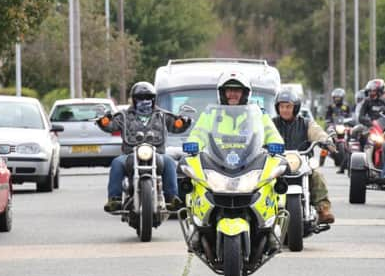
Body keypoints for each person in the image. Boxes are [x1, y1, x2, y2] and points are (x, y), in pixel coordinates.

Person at [187, 71, 284, 254]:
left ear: (245, 93)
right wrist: (193, 144)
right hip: (219, 161)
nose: (233, 94)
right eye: (229, 90)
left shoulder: (257, 114)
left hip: (248, 162)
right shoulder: (211, 114)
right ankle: (197, 228)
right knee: (195, 179)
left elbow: (272, 134)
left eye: (237, 90)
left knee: (271, 179)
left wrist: (275, 144)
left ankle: (271, 228)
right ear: (222, 92)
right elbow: (198, 132)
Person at [99, 81, 191, 212]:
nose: (144, 100)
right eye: (141, 98)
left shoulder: (162, 115)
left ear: (153, 98)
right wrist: (104, 121)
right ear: (134, 99)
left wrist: (183, 122)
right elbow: (110, 126)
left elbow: (176, 127)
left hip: (157, 153)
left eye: (148, 97)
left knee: (169, 161)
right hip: (130, 154)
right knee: (116, 163)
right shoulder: (124, 116)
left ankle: (172, 198)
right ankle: (115, 199)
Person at [272, 89, 335, 224]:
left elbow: (317, 133)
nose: (285, 110)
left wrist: (326, 141)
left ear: (295, 108)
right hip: (277, 164)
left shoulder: (306, 124)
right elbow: (261, 135)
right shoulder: (271, 124)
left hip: (301, 163)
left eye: (288, 106)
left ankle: (323, 210)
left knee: (317, 175)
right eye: (282, 107)